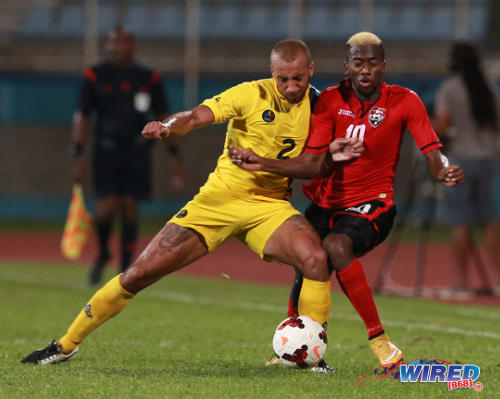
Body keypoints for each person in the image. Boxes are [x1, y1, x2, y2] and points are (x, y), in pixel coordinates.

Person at [21, 39, 360, 372]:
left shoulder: (321, 107)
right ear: (271, 72)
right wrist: (169, 127)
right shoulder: (250, 94)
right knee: (138, 274)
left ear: (311, 71)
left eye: (298, 78)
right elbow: (197, 115)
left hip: (268, 207)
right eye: (282, 78)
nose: (289, 86)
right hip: (219, 200)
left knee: (315, 259)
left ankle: (311, 355)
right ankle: (64, 345)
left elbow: (320, 161)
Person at [229, 32, 465, 366]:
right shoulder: (328, 101)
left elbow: (432, 149)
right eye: (358, 63)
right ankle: (298, 348)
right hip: (326, 204)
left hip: (373, 203)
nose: (365, 70)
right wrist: (265, 163)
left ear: (384, 66)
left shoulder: (405, 101)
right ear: (347, 67)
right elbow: (311, 163)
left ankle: (380, 340)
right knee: (308, 260)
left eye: (372, 63)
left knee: (336, 248)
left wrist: (443, 169)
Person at [69, 26, 184, 286]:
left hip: (137, 151)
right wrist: (76, 154)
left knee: (131, 209)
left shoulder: (149, 78)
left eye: (120, 43)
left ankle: (124, 272)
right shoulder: (94, 75)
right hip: (105, 152)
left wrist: (175, 156)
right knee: (106, 211)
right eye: (111, 42)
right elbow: (82, 116)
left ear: (131, 45)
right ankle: (103, 252)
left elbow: (164, 117)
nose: (115, 47)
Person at [433, 41, 500, 297]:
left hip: (459, 160)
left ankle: (461, 284)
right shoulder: (487, 89)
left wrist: (423, 122)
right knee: (489, 223)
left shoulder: (449, 89)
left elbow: (443, 125)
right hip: (485, 160)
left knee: (460, 222)